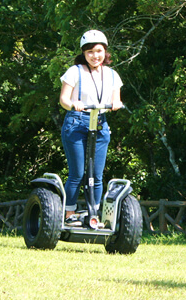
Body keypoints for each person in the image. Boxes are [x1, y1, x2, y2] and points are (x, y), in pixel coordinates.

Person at [59, 30, 124, 227]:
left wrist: (116, 104)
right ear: (84, 54)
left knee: (96, 174)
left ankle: (93, 213)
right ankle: (69, 213)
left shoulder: (112, 75)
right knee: (77, 173)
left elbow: (116, 99)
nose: (95, 56)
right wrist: (73, 104)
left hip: (101, 123)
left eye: (98, 51)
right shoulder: (75, 71)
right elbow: (63, 99)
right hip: (76, 122)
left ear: (105, 51)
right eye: (90, 52)